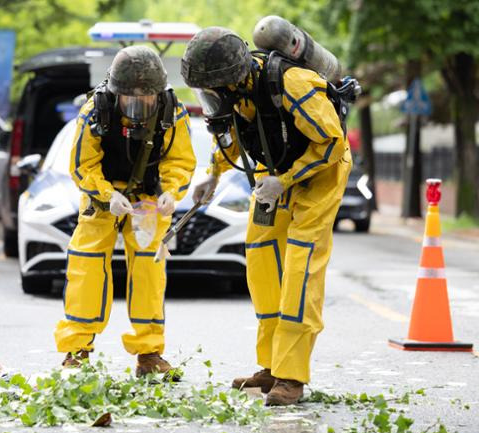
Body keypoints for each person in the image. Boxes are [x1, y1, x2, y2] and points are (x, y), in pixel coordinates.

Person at [182, 27, 352, 405]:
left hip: (319, 176)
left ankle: (292, 376)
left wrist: (286, 179)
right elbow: (236, 137)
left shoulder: (291, 83)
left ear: (235, 79)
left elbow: (332, 143)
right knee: (262, 263)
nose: (211, 100)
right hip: (273, 174)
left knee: (298, 270)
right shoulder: (234, 93)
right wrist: (213, 174)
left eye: (212, 91)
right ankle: (272, 366)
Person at [53, 46, 196, 378]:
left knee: (149, 271)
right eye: (130, 99)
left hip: (148, 196)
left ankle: (149, 354)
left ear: (157, 93)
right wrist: (106, 194)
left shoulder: (172, 112)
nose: (138, 106)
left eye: (145, 99)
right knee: (86, 267)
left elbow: (180, 161)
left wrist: (171, 193)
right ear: (116, 93)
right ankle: (77, 351)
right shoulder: (96, 110)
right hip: (104, 195)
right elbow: (81, 165)